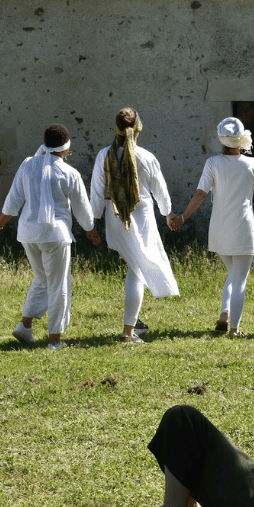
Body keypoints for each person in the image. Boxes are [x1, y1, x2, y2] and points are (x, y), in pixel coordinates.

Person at [168, 117, 254, 337]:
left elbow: (201, 193)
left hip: (220, 228)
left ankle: (224, 315)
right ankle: (234, 329)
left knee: (233, 274)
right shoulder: (253, 164)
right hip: (243, 227)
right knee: (239, 278)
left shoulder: (213, 162)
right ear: (241, 139)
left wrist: (183, 217)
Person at [0, 124, 101, 350]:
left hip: (28, 234)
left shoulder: (27, 165)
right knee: (58, 284)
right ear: (67, 148)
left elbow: (13, 201)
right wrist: (91, 231)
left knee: (43, 279)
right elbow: (82, 209)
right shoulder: (69, 173)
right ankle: (54, 340)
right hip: (55, 234)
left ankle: (25, 326)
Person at [90, 108, 180, 343]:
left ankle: (135, 320)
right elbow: (160, 189)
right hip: (141, 216)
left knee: (134, 266)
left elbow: (97, 192)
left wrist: (93, 222)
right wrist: (168, 214)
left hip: (115, 214)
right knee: (138, 270)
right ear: (138, 128)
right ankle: (128, 331)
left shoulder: (103, 156)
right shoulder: (146, 156)